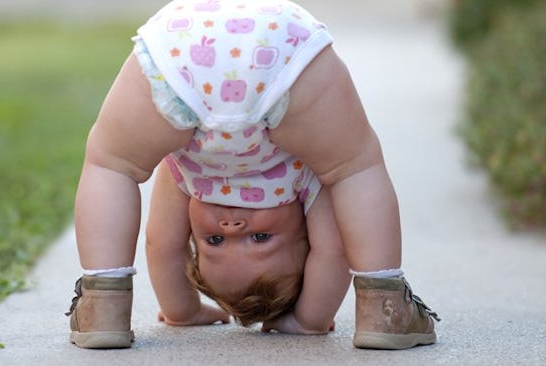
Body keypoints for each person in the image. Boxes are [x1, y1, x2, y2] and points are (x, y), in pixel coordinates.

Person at [66, 0, 440, 351]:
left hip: (186, 53)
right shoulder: (305, 184)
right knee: (353, 167)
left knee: (112, 163)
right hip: (273, 54)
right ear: (305, 231)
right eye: (260, 237)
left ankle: (105, 303)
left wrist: (183, 310)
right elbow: (336, 248)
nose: (231, 225)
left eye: (213, 240)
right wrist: (310, 318)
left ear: (191, 237)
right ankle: (384, 304)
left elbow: (162, 246)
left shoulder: (185, 178)